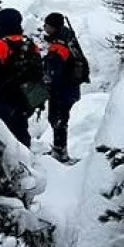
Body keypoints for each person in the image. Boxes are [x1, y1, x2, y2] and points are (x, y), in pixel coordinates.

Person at [0, 8, 43, 147]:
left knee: (1, 136)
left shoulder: (0, 46)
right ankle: (26, 162)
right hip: (26, 98)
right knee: (21, 131)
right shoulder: (31, 46)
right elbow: (39, 73)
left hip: (3, 99)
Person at [43, 12, 87, 163]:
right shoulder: (68, 39)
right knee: (59, 119)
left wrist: (47, 82)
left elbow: (55, 70)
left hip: (62, 89)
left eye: (47, 25)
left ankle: (60, 151)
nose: (44, 28)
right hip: (69, 88)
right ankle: (59, 149)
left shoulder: (59, 45)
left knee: (58, 119)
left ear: (53, 26)